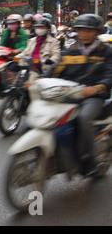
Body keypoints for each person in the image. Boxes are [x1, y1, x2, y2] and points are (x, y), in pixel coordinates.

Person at [27, 14, 112, 177]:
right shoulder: (71, 50)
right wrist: (39, 80)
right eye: (81, 30)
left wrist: (96, 88)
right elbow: (56, 70)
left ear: (96, 32)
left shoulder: (106, 52)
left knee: (83, 118)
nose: (84, 34)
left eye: (88, 30)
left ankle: (88, 159)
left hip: (94, 96)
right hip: (70, 92)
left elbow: (110, 75)